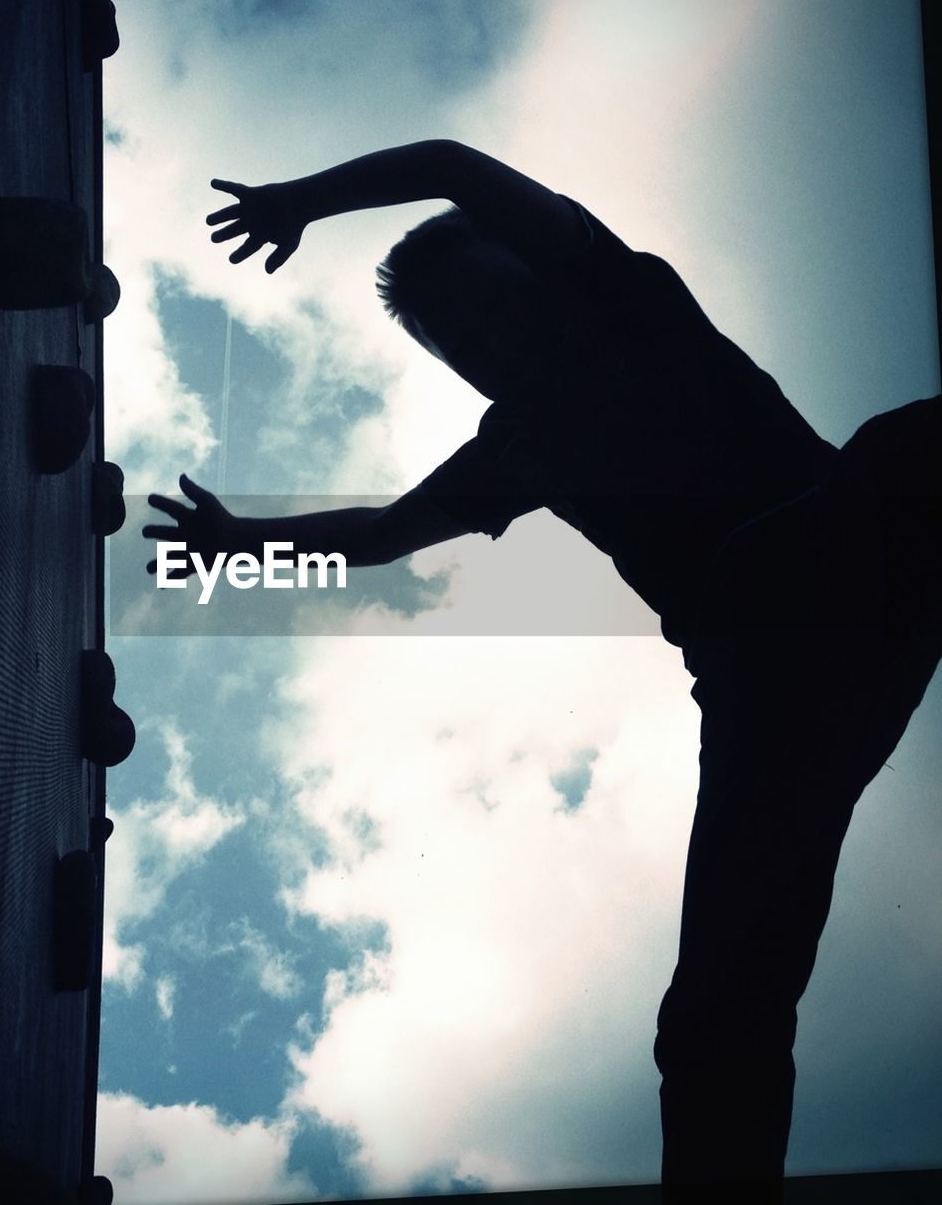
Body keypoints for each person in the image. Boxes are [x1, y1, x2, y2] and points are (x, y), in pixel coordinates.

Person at [143, 140, 941, 1197]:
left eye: (491, 304)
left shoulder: (621, 303)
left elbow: (447, 164)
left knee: (895, 454)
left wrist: (304, 201)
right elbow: (382, 535)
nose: (488, 342)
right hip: (773, 692)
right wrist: (243, 543)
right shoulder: (519, 444)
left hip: (844, 556)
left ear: (534, 269)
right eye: (459, 344)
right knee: (710, 1015)